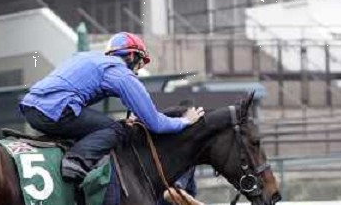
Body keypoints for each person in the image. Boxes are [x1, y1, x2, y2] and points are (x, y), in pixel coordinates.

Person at [19, 32, 204, 183]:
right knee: (114, 128)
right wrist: (185, 121)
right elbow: (155, 123)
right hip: (56, 111)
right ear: (132, 56)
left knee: (101, 125)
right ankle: (76, 162)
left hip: (30, 108)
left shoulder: (87, 57)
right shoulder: (120, 72)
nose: (137, 71)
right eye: (139, 64)